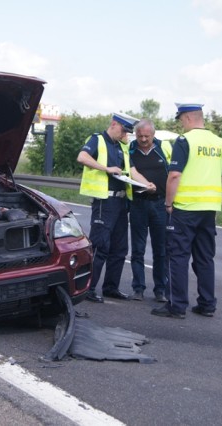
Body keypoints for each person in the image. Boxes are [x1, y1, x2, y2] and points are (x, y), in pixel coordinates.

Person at [151, 103, 222, 319]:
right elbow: (220, 177)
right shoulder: (219, 143)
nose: (181, 125)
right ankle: (207, 304)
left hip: (184, 208)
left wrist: (168, 203)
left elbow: (174, 175)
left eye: (181, 120)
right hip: (209, 208)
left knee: (178, 256)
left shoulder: (185, 141)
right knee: (205, 258)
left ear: (188, 118)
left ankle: (177, 305)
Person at [77, 113, 156, 303]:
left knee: (120, 248)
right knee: (100, 246)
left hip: (121, 202)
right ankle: (88, 288)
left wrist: (147, 184)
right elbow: (82, 157)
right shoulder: (97, 139)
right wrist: (106, 168)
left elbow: (132, 171)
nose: (124, 135)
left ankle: (111, 287)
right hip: (105, 201)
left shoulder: (122, 146)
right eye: (123, 130)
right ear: (114, 124)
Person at [128, 119, 172, 302]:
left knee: (160, 250)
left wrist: (171, 201)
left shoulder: (165, 148)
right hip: (138, 203)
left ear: (154, 135)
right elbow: (129, 171)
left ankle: (160, 289)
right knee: (138, 249)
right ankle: (138, 288)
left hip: (160, 204)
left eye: (147, 136)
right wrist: (146, 185)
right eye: (140, 136)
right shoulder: (129, 149)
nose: (143, 139)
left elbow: (174, 174)